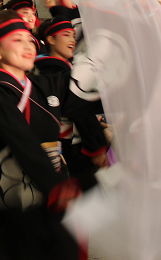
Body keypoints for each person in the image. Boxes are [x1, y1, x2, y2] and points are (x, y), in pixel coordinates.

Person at [0, 10, 83, 260]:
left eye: (29, 39)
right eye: (17, 40)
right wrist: (57, 186)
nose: (28, 46)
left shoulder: (39, 84)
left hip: (46, 192)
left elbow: (82, 89)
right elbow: (21, 140)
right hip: (15, 196)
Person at [35, 18, 108, 191]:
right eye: (66, 35)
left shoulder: (63, 68)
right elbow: (79, 111)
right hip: (68, 146)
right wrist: (96, 148)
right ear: (51, 40)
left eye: (73, 36)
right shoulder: (54, 71)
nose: (72, 40)